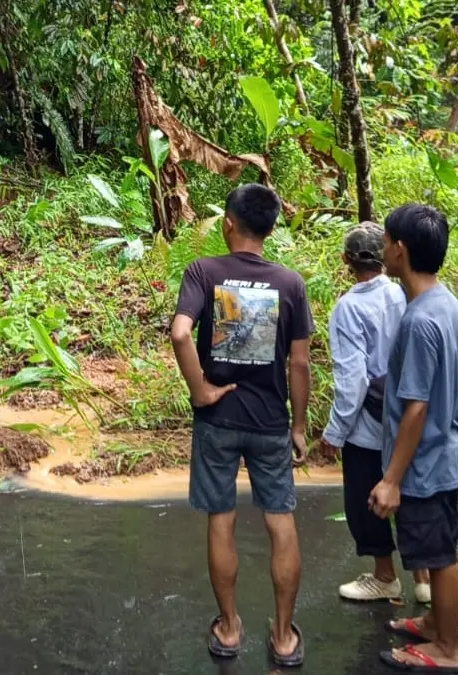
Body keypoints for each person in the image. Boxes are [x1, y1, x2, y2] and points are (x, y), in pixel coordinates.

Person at [170, 184, 313, 668]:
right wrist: (299, 426)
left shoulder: (203, 272)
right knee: (280, 521)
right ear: (270, 227)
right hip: (272, 422)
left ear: (229, 222)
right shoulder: (290, 283)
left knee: (222, 519)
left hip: (218, 421)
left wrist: (201, 390)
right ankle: (284, 638)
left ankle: (229, 629)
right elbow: (299, 364)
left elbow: (180, 332)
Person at [368, 204, 458, 673]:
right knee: (438, 546)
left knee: (439, 555)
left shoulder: (419, 321)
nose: (382, 248)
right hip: (443, 451)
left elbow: (417, 407)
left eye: (386, 240)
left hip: (425, 463)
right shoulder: (444, 301)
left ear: (400, 249)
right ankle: (434, 625)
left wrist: (391, 479)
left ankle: (448, 649)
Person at [317, 222, 432, 604]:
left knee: (367, 501)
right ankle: (424, 579)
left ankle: (385, 577)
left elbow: (352, 382)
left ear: (345, 260)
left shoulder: (348, 308)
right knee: (410, 493)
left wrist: (334, 433)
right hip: (409, 416)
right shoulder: (404, 294)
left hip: (368, 428)